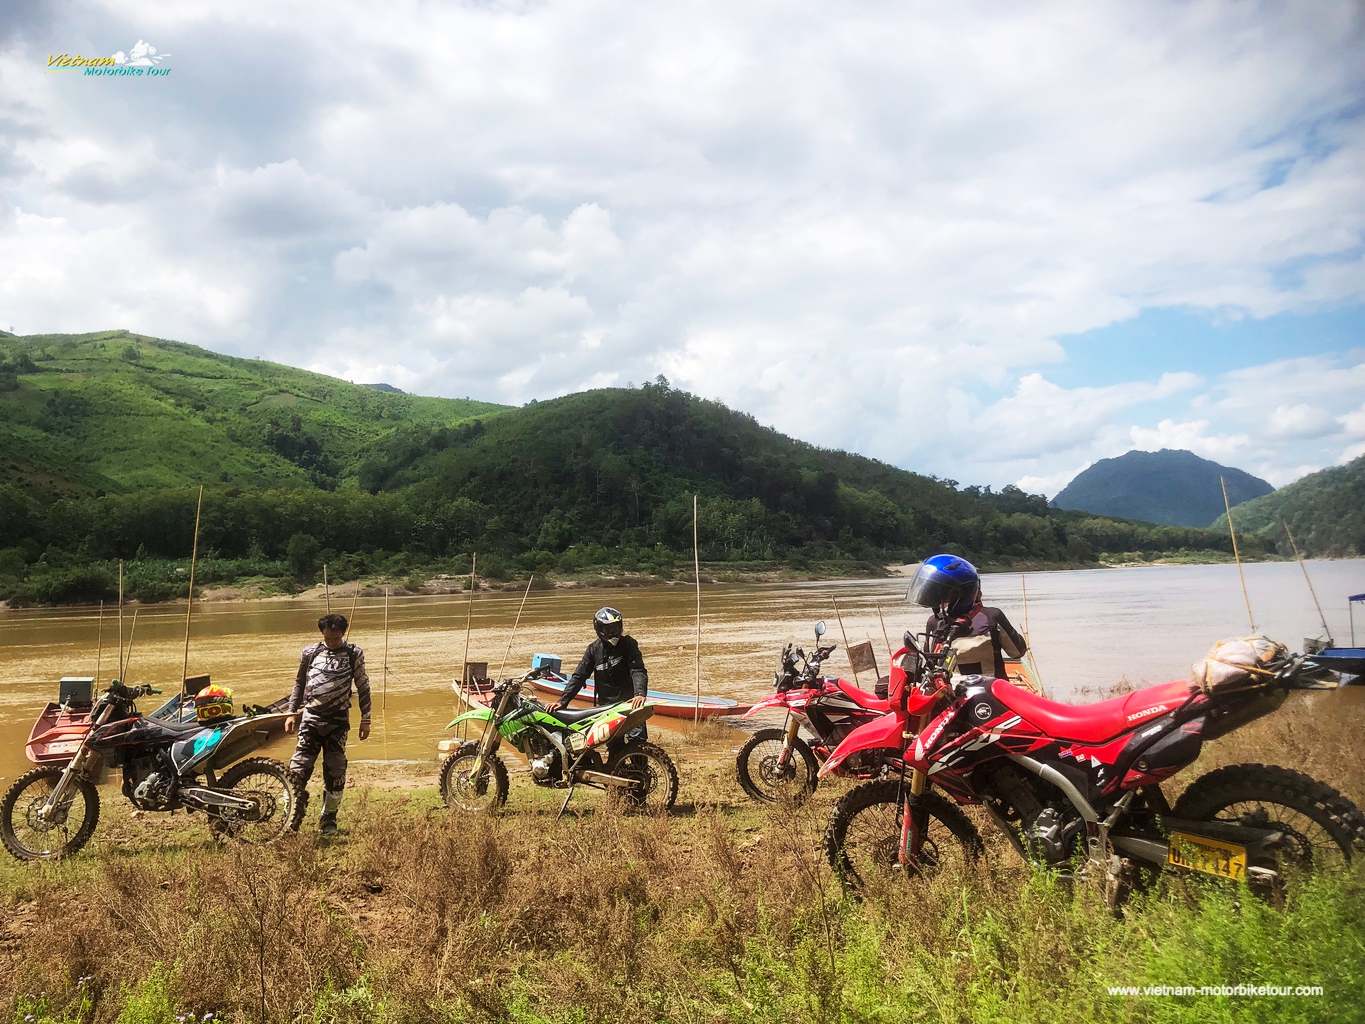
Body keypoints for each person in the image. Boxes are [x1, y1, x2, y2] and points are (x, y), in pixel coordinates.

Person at [284, 612, 371, 835]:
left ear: (343, 633)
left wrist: (366, 719)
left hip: (338, 722)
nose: (332, 641)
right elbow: (299, 683)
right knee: (298, 769)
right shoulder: (310, 653)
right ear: (322, 633)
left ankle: (329, 819)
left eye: (336, 637)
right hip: (310, 720)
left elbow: (363, 686)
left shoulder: (354, 654)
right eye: (328, 637)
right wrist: (291, 713)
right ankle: (290, 818)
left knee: (335, 771)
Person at [907, 553, 1027, 680]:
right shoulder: (992, 616)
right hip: (991, 692)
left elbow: (930, 662)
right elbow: (1017, 652)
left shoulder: (934, 622)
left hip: (951, 695)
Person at [555, 606, 649, 733]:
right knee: (614, 746)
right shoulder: (593, 650)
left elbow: (637, 670)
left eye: (616, 627)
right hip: (606, 707)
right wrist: (562, 701)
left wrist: (640, 694)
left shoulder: (628, 644)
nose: (613, 632)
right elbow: (579, 677)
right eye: (609, 628)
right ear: (599, 629)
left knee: (637, 741)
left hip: (630, 703)